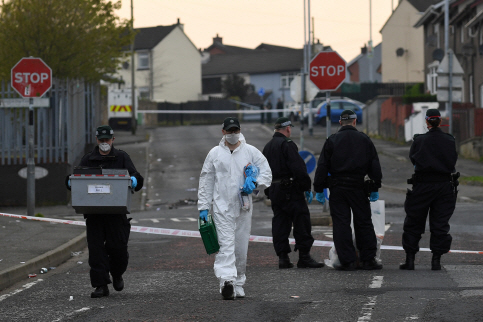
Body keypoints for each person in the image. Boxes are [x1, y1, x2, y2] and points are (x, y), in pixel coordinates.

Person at [198, 117, 272, 300]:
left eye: (235, 130)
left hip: (243, 206)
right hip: (222, 206)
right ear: (223, 132)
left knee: (240, 246)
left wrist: (254, 183)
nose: (232, 134)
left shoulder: (250, 152)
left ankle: (239, 282)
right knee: (225, 245)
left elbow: (266, 172)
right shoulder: (215, 153)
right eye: (229, 131)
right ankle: (227, 281)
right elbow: (206, 180)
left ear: (239, 130)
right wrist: (204, 206)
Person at [66, 125, 144, 298]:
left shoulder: (122, 157)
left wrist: (134, 180)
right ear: (96, 140)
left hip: (116, 215)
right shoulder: (88, 159)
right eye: (101, 140)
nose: (104, 143)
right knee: (96, 251)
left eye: (106, 140)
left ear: (112, 140)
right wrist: (69, 182)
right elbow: (75, 177)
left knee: (118, 250)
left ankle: (117, 273)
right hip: (94, 214)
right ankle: (100, 285)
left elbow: (137, 177)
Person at [313, 110, 382, 271]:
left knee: (341, 223)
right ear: (355, 121)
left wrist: (318, 188)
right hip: (358, 187)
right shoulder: (364, 139)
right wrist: (375, 186)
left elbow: (322, 166)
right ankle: (368, 259)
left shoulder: (332, 140)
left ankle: (347, 261)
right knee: (363, 222)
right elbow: (374, 164)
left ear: (340, 123)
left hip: (338, 188)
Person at [399, 109, 458, 271]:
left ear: (426, 122)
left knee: (413, 222)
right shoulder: (449, 140)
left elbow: (413, 159)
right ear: (440, 121)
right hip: (444, 186)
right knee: (440, 224)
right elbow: (453, 159)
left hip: (422, 185)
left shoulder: (419, 140)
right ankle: (436, 261)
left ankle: (410, 260)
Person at [262, 117, 324, 269]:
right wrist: (306, 188)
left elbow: (263, 171)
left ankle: (283, 258)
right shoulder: (287, 144)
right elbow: (298, 168)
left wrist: (268, 191)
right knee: (301, 221)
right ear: (288, 128)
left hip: (275, 189)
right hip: (291, 189)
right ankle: (304, 257)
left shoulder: (267, 147)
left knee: (280, 223)